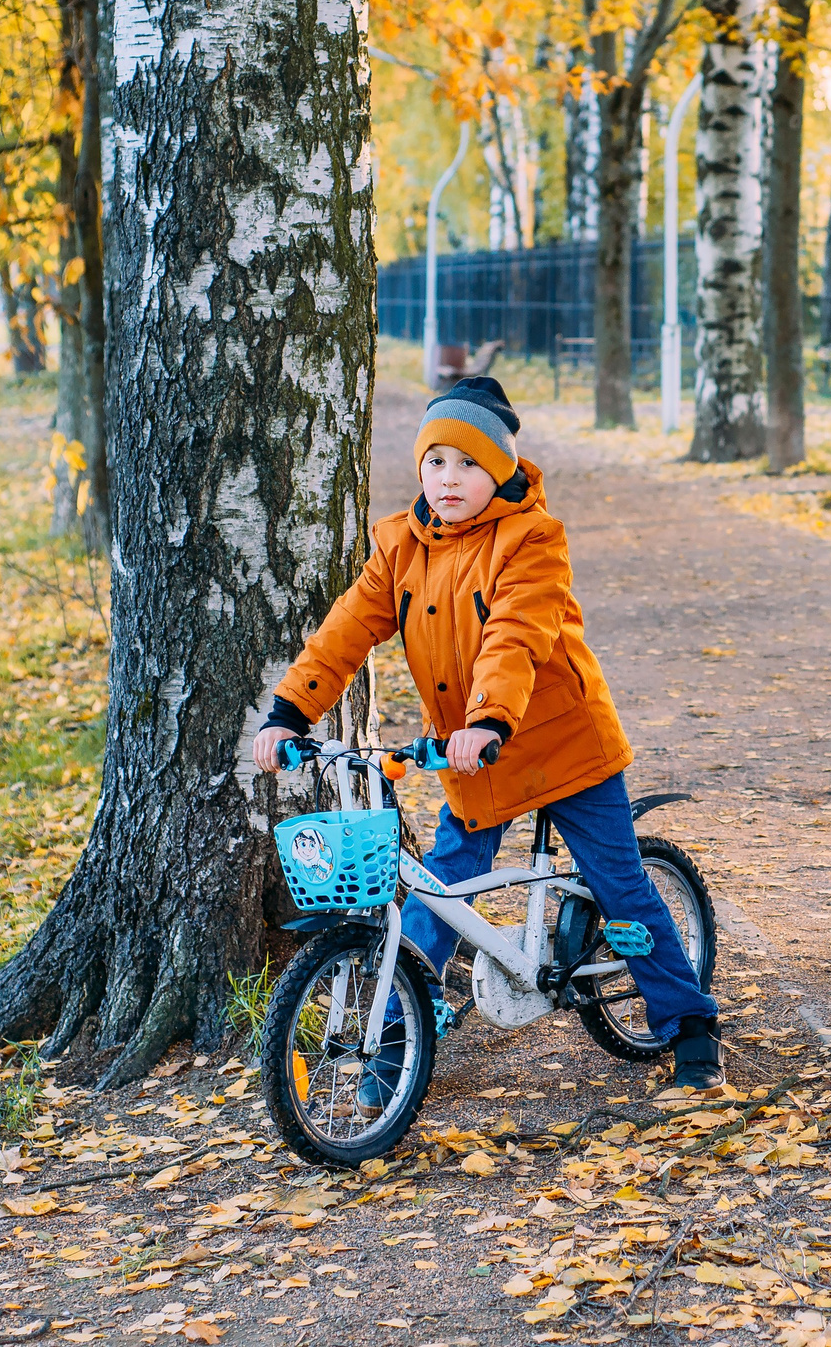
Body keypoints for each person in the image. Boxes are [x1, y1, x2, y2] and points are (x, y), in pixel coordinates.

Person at [250, 377, 724, 1091]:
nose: (449, 478)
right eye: (436, 461)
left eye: (468, 463)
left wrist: (488, 719)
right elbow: (345, 630)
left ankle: (690, 1026)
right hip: (475, 756)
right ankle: (397, 1036)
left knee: (619, 886)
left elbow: (516, 635)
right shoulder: (401, 547)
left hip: (561, 743)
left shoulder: (532, 539)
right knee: (439, 887)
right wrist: (290, 709)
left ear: (499, 469)